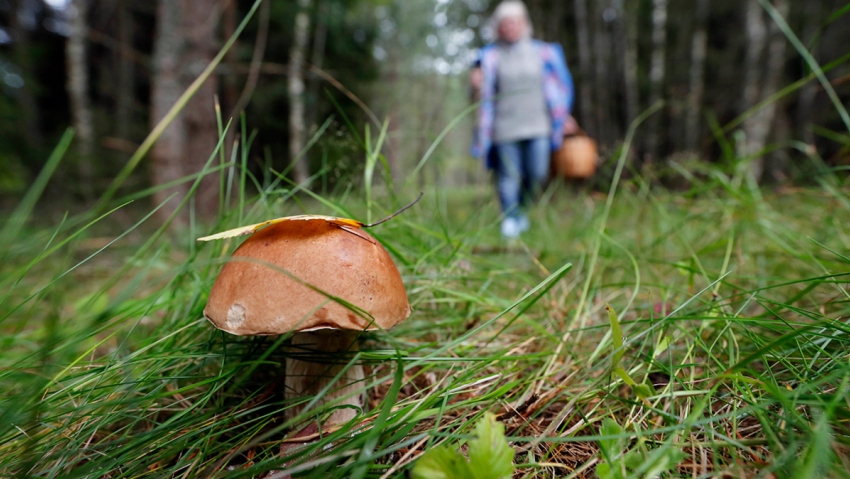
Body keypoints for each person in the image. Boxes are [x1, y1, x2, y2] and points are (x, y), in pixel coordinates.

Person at [471, 1, 575, 239]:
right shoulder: (488, 56)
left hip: (538, 124)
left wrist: (565, 116)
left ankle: (522, 211)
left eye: (515, 21)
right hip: (504, 126)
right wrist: (475, 84)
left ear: (525, 24)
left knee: (537, 172)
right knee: (509, 175)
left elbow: (558, 89)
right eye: (505, 23)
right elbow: (478, 94)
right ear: (498, 27)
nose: (511, 27)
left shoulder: (545, 52)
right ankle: (509, 217)